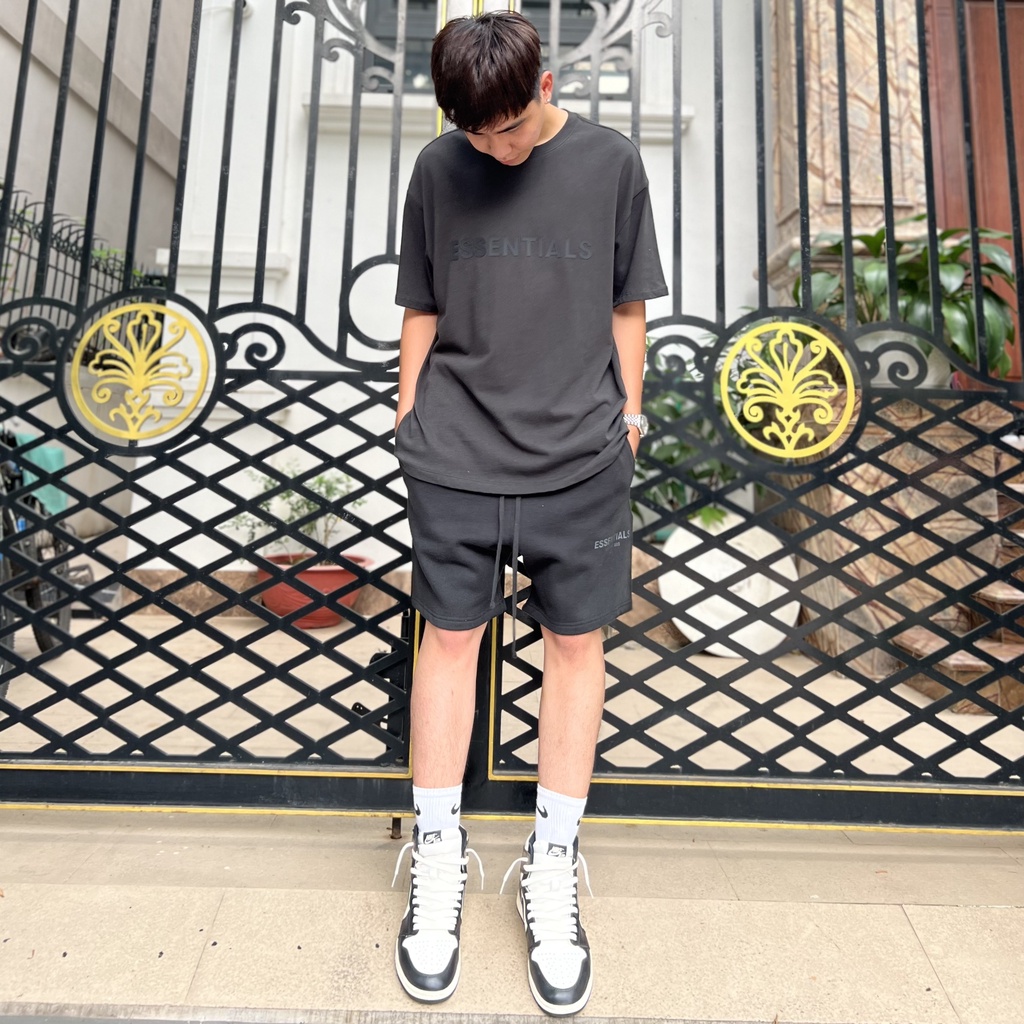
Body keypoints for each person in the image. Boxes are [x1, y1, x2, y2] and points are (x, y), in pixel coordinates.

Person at [391, 10, 666, 1016]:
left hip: (581, 454)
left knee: (576, 646)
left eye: (506, 131)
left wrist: (629, 418)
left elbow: (627, 302)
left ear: (544, 88)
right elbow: (421, 304)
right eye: (474, 134)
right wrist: (408, 419)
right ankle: (436, 855)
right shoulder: (439, 168)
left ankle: (552, 863)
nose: (492, 151)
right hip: (455, 452)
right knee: (449, 641)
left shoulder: (611, 163)